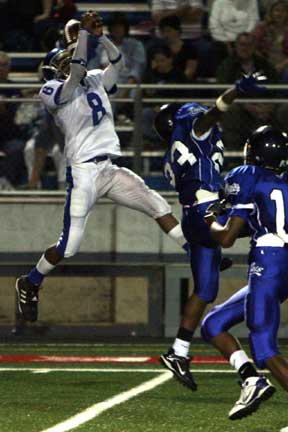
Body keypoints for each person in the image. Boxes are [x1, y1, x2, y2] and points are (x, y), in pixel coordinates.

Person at [15, 11, 190, 323]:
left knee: (158, 204)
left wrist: (101, 35)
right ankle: (31, 281)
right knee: (68, 247)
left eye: (71, 59)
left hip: (110, 168)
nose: (71, 63)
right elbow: (76, 73)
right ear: (54, 69)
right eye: (65, 62)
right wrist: (83, 36)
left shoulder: (94, 79)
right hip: (83, 173)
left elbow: (118, 61)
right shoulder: (51, 91)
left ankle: (198, 255)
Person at [153, 71, 266, 390]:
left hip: (196, 215)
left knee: (205, 291)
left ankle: (178, 351)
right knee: (260, 219)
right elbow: (215, 112)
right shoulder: (192, 129)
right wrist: (236, 91)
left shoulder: (175, 150)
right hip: (205, 212)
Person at [202, 125, 288, 419]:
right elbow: (261, 221)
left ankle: (257, 376)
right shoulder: (281, 182)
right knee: (213, 324)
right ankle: (251, 379)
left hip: (269, 261)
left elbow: (225, 237)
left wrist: (212, 220)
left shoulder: (247, 176)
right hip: (282, 263)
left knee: (264, 347)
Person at [0, 51, 26, 188]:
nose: (1, 68)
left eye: (4, 65)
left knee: (17, 148)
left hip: (9, 135)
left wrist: (5, 109)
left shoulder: (14, 89)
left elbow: (18, 116)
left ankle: (5, 181)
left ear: (9, 68)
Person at [209, 0, 259, 69]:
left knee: (248, 47)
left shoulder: (251, 1)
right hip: (223, 41)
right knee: (216, 49)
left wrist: (242, 39)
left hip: (245, 39)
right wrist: (226, 42)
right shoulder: (218, 3)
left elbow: (253, 21)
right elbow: (214, 26)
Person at [253, 1, 288, 82]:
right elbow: (253, 46)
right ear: (271, 12)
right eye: (276, 10)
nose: (279, 14)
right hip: (265, 61)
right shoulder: (262, 27)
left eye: (283, 11)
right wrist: (265, 63)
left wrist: (282, 65)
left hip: (285, 63)